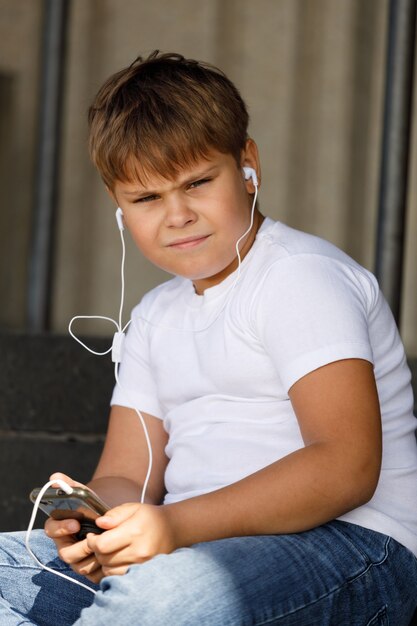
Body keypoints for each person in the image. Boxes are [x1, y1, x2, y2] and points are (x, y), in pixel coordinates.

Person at [1, 51, 417, 626]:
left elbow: (345, 465)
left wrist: (174, 526)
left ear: (248, 166)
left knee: (164, 600)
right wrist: (98, 523)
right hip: (194, 547)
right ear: (118, 207)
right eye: (146, 198)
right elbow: (127, 474)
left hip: (351, 549)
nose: (177, 215)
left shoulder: (298, 276)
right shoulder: (154, 315)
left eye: (197, 183)